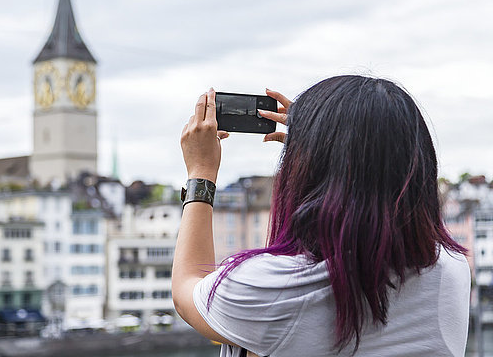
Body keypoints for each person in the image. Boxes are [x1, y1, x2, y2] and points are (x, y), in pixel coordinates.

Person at [172, 76, 470, 357]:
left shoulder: (277, 287)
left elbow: (188, 285)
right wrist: (316, 143)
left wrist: (201, 173)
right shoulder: (450, 269)